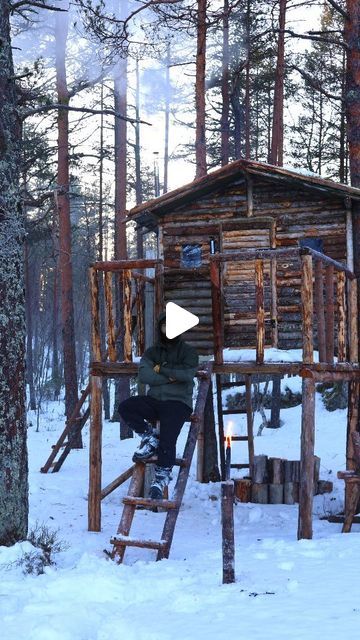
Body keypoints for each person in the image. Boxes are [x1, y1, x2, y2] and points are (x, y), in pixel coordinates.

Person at [118, 311, 199, 500]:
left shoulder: (188, 352)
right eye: (164, 326)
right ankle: (149, 435)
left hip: (179, 403)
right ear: (160, 328)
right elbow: (145, 376)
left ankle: (161, 477)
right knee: (126, 407)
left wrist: (161, 369)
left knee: (168, 437)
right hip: (155, 400)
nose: (168, 330)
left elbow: (187, 375)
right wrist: (172, 377)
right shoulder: (152, 352)